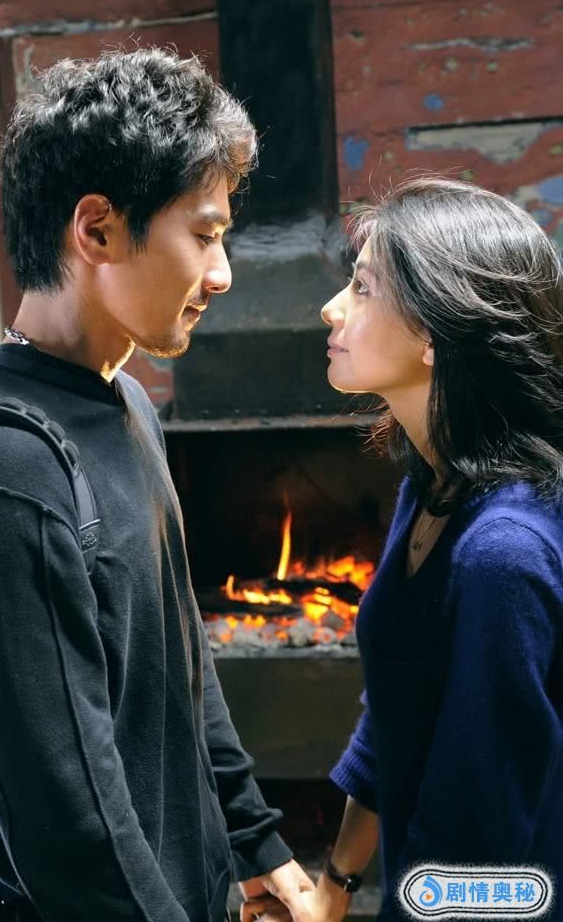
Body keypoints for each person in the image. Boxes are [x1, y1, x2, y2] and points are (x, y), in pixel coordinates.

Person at [0, 49, 315, 922]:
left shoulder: (128, 402)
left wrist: (253, 840)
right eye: (204, 235)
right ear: (96, 229)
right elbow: (70, 829)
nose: (222, 273)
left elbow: (180, 657)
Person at [241, 176, 563, 922]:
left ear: (433, 333)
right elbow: (396, 708)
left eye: (362, 287)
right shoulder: (433, 483)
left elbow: (477, 850)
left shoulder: (502, 556)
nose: (331, 308)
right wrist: (335, 887)